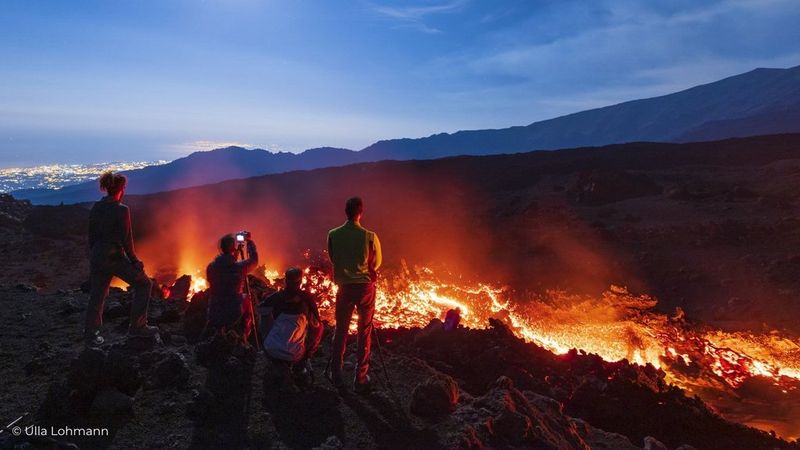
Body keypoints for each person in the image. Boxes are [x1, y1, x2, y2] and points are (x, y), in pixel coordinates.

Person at [86, 171, 157, 347]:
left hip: (97, 256)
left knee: (97, 295)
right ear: (120, 189)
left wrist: (93, 255)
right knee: (144, 284)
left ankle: (91, 336)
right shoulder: (121, 210)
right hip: (114, 257)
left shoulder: (96, 207)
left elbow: (91, 236)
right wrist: (134, 261)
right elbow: (126, 240)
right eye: (124, 188)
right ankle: (137, 326)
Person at [326, 197, 382, 392]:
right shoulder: (369, 236)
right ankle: (360, 378)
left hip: (344, 288)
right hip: (365, 289)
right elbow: (377, 263)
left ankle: (336, 374)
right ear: (361, 213)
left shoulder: (333, 235)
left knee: (340, 330)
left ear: (345, 212)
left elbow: (333, 258)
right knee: (363, 331)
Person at [260, 267, 323, 388]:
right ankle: (302, 363)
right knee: (319, 327)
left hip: (271, 349)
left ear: (285, 281)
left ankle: (272, 355)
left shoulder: (276, 297)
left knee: (264, 315)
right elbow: (317, 324)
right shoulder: (307, 299)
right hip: (295, 354)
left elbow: (260, 309)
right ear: (300, 282)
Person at [206, 232, 259, 343]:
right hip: (233, 312)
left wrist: (234, 254)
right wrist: (249, 242)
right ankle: (244, 336)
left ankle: (219, 333)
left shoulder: (210, 267)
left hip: (214, 311)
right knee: (247, 298)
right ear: (233, 249)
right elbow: (254, 261)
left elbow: (226, 267)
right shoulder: (239, 268)